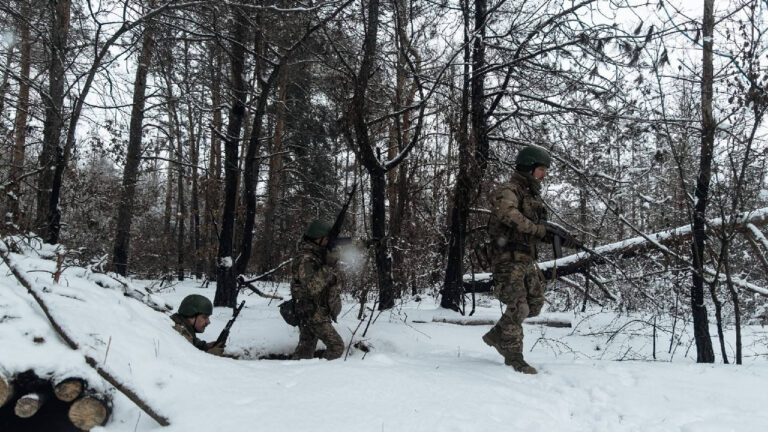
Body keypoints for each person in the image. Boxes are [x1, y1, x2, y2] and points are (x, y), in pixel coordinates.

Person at [482, 145, 575, 374]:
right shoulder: (508, 190)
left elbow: (538, 230)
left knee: (534, 304)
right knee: (519, 306)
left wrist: (562, 239)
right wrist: (538, 230)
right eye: (541, 169)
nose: (544, 174)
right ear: (528, 167)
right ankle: (514, 356)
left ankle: (497, 334)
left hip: (525, 260)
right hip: (507, 259)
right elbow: (509, 214)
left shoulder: (532, 196)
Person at [290, 219, 344, 360]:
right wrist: (328, 266)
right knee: (336, 347)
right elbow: (310, 288)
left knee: (305, 350)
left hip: (313, 310)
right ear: (317, 239)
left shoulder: (318, 254)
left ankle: (296, 371)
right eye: (326, 239)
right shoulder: (305, 259)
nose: (328, 241)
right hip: (312, 312)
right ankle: (320, 372)